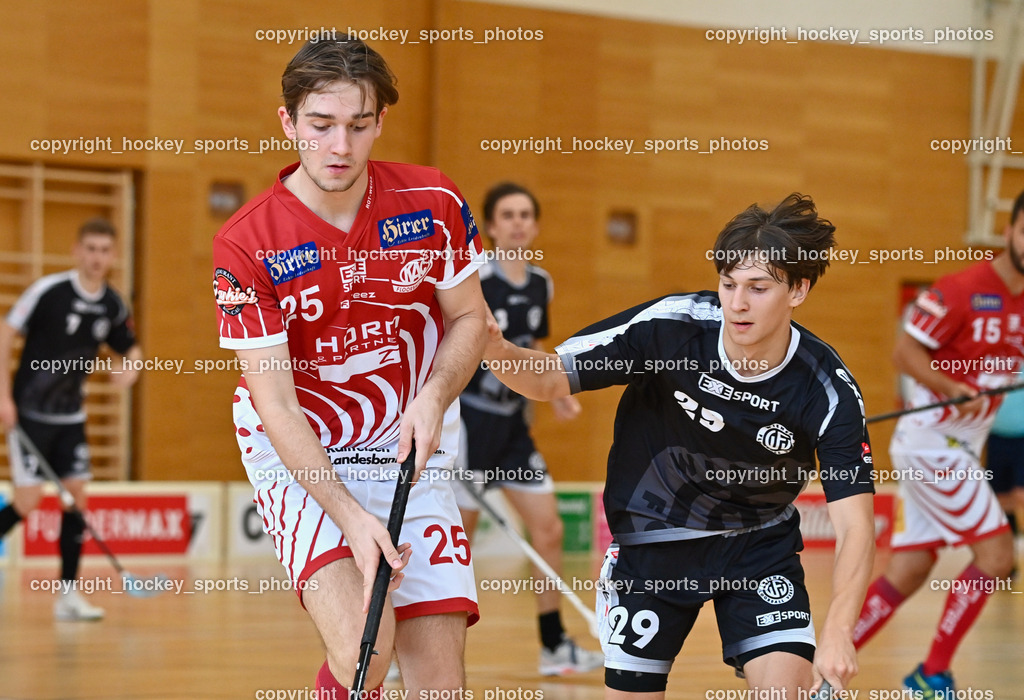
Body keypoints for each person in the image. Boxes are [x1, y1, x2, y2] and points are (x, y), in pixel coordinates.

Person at [481, 193, 876, 698]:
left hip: (756, 545)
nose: (737, 303)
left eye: (758, 288)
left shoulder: (827, 389)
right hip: (654, 540)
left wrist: (839, 631)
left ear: (798, 290)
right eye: (729, 284)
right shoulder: (670, 329)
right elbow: (549, 379)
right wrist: (493, 347)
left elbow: (855, 526)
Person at [212, 37, 489, 698]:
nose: (341, 146)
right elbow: (275, 404)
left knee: (441, 685)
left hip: (403, 445)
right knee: (367, 644)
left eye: (359, 126)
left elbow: (470, 319)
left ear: (379, 123)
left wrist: (435, 398)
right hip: (299, 451)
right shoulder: (247, 243)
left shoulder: (432, 202)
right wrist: (348, 514)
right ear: (288, 123)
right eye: (321, 125)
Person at [851, 191, 1024, 696]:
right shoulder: (963, 288)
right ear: (1009, 230)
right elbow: (904, 351)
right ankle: (931, 675)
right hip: (934, 443)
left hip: (958, 448)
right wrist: (952, 389)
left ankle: (821, 664)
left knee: (910, 568)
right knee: (997, 558)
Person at [450, 182, 602, 676]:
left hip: (515, 428)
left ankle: (554, 644)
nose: (516, 222)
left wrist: (558, 397)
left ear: (534, 226)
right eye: (506, 215)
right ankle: (417, 647)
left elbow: (535, 347)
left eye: (524, 215)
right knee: (454, 544)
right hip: (471, 424)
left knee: (549, 528)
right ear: (491, 226)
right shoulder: (473, 280)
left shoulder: (541, 283)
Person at [0, 217, 141, 621]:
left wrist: (130, 368)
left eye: (104, 251)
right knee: (27, 502)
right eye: (90, 249)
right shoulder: (48, 292)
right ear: (77, 251)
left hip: (71, 418)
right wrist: (3, 398)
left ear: (113, 256)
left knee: (77, 502)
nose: (97, 258)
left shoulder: (113, 304)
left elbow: (130, 348)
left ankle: (68, 596)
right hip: (29, 414)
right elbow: (5, 333)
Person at [985, 386, 1024, 575]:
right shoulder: (996, 361)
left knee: (1020, 496)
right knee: (999, 502)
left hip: (1022, 437)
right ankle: (1009, 559)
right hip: (996, 438)